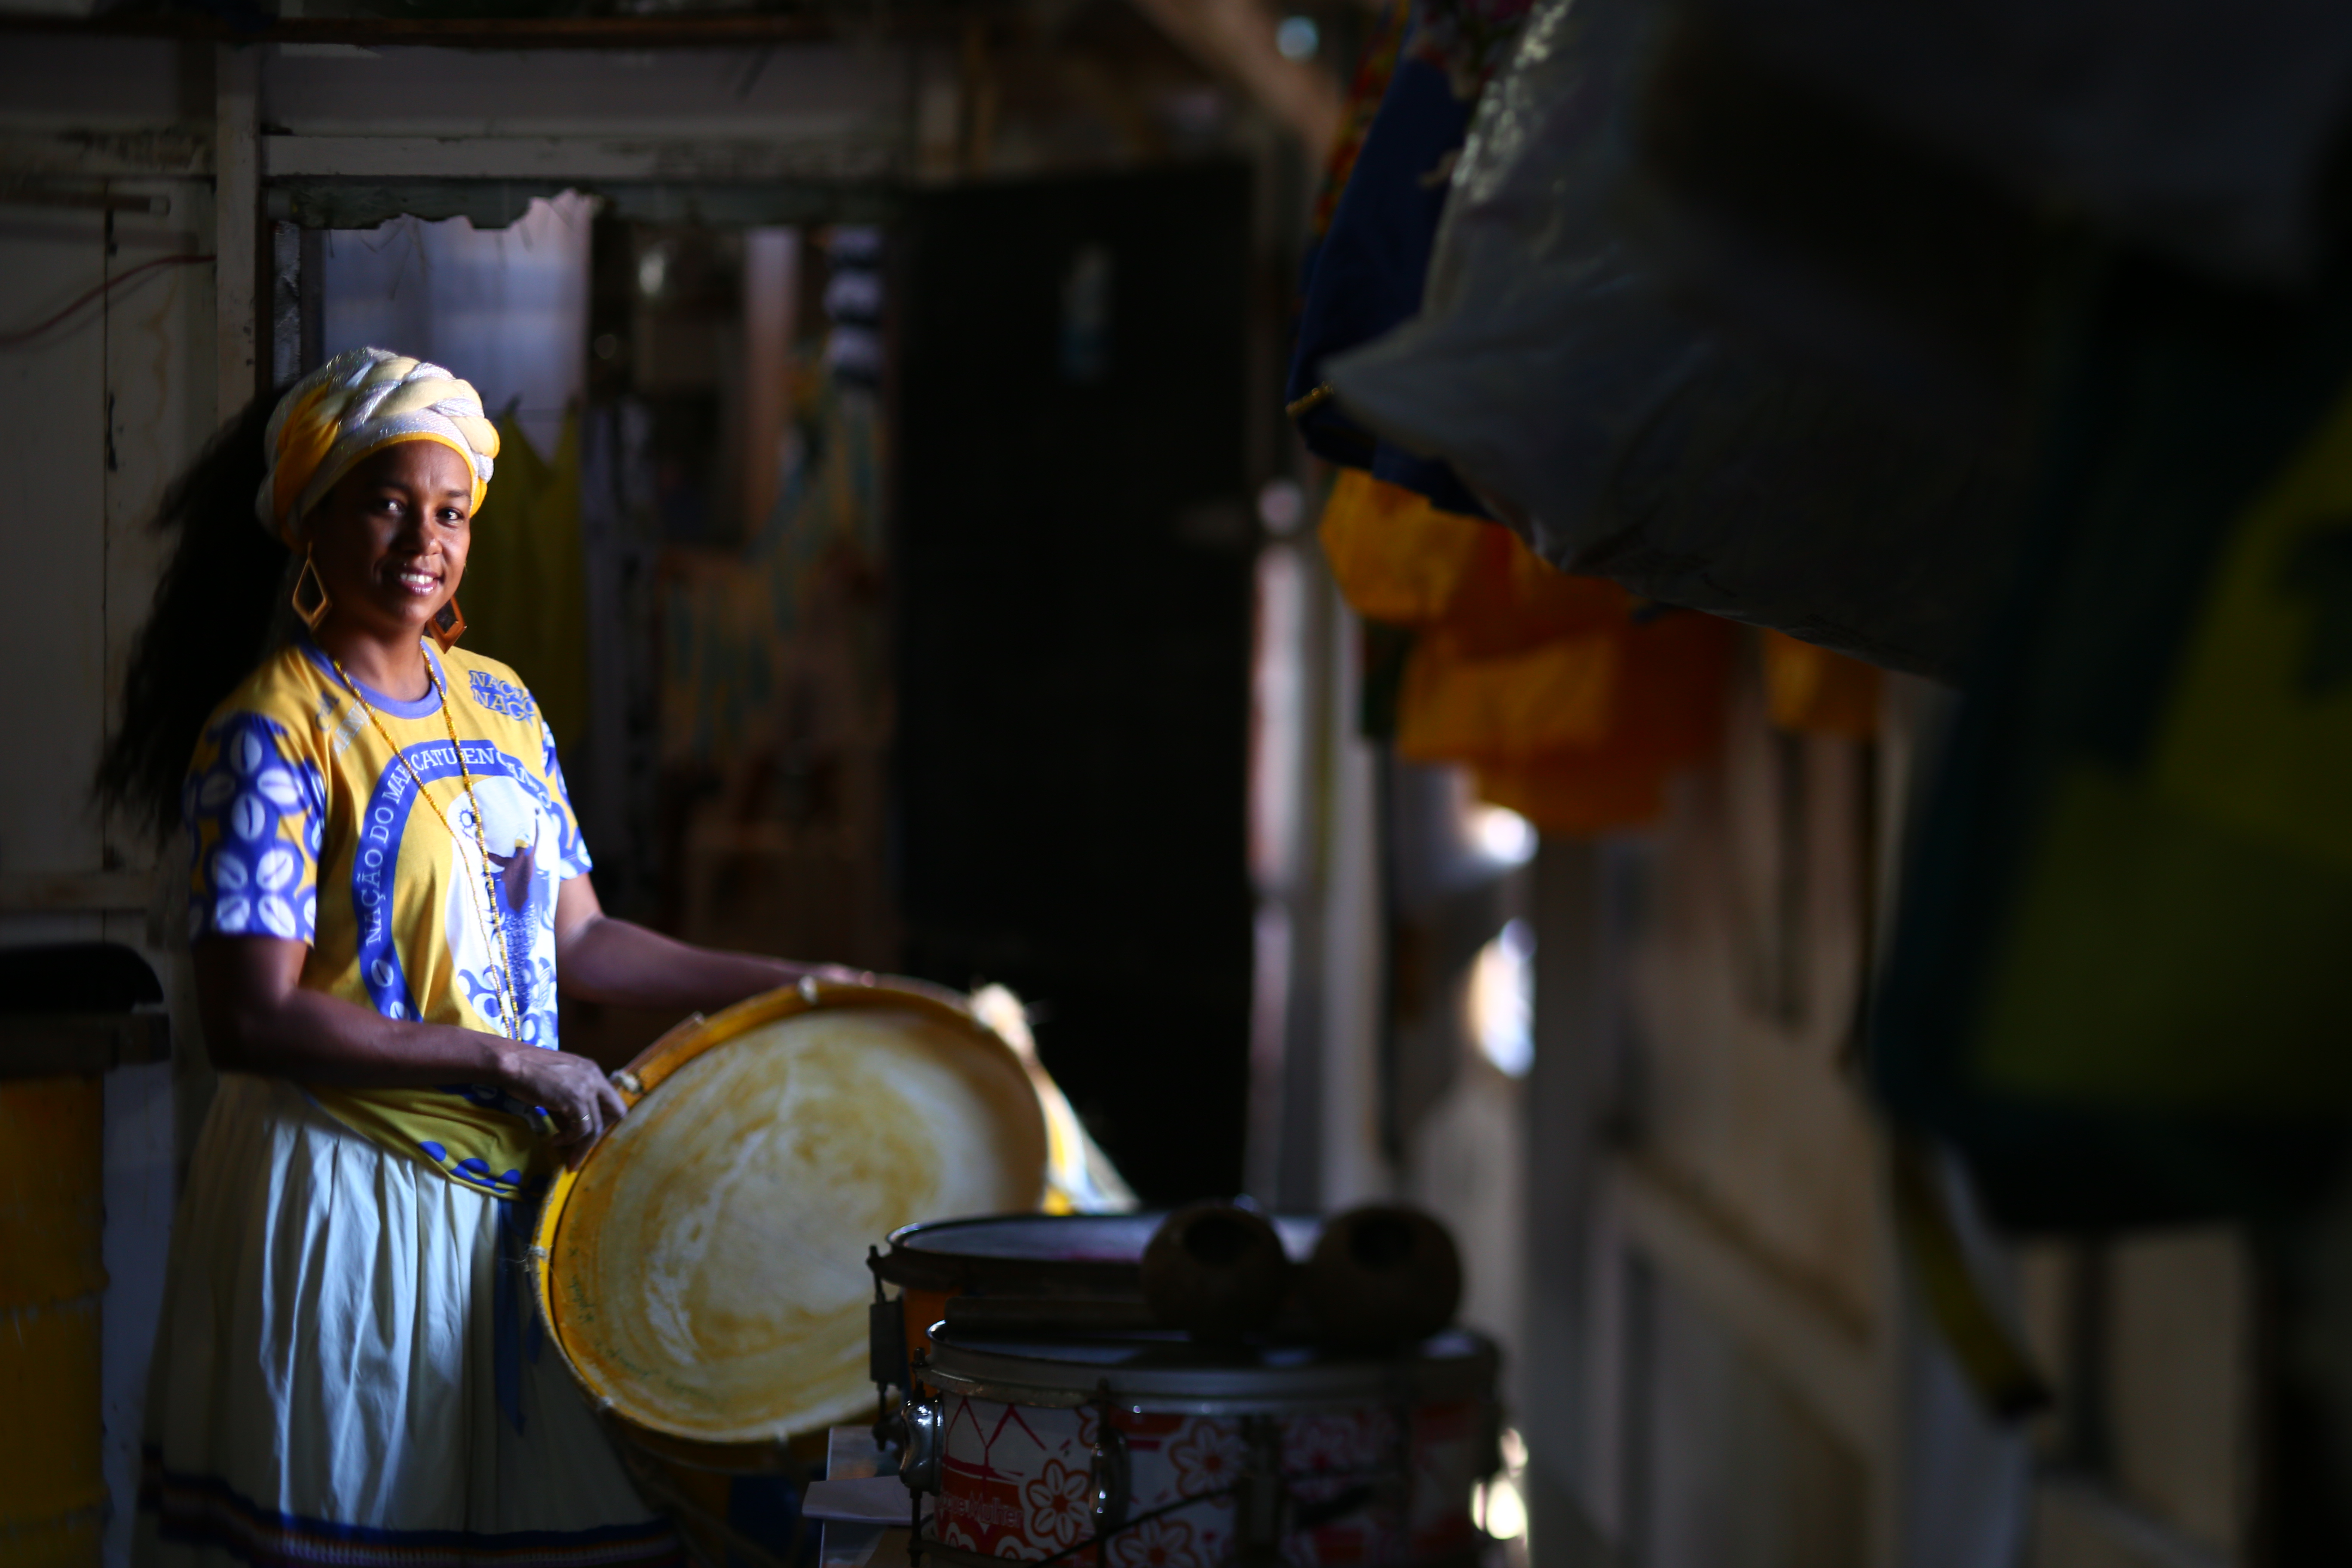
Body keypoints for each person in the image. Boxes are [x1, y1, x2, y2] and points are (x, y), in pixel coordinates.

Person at [98, 348, 850, 1567]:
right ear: (312, 516)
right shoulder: (270, 732)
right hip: (344, 1199)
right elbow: (253, 1021)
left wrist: (796, 985)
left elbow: (585, 939)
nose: (422, 541)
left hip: (505, 1204)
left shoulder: (503, 706)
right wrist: (515, 1063)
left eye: (450, 513)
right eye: (387, 503)